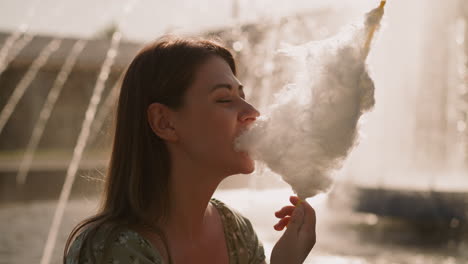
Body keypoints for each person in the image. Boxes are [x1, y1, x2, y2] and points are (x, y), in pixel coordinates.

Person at [64, 35, 316, 264]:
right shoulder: (109, 251)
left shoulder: (238, 233)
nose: (252, 112)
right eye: (224, 99)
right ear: (164, 122)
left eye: (242, 95)